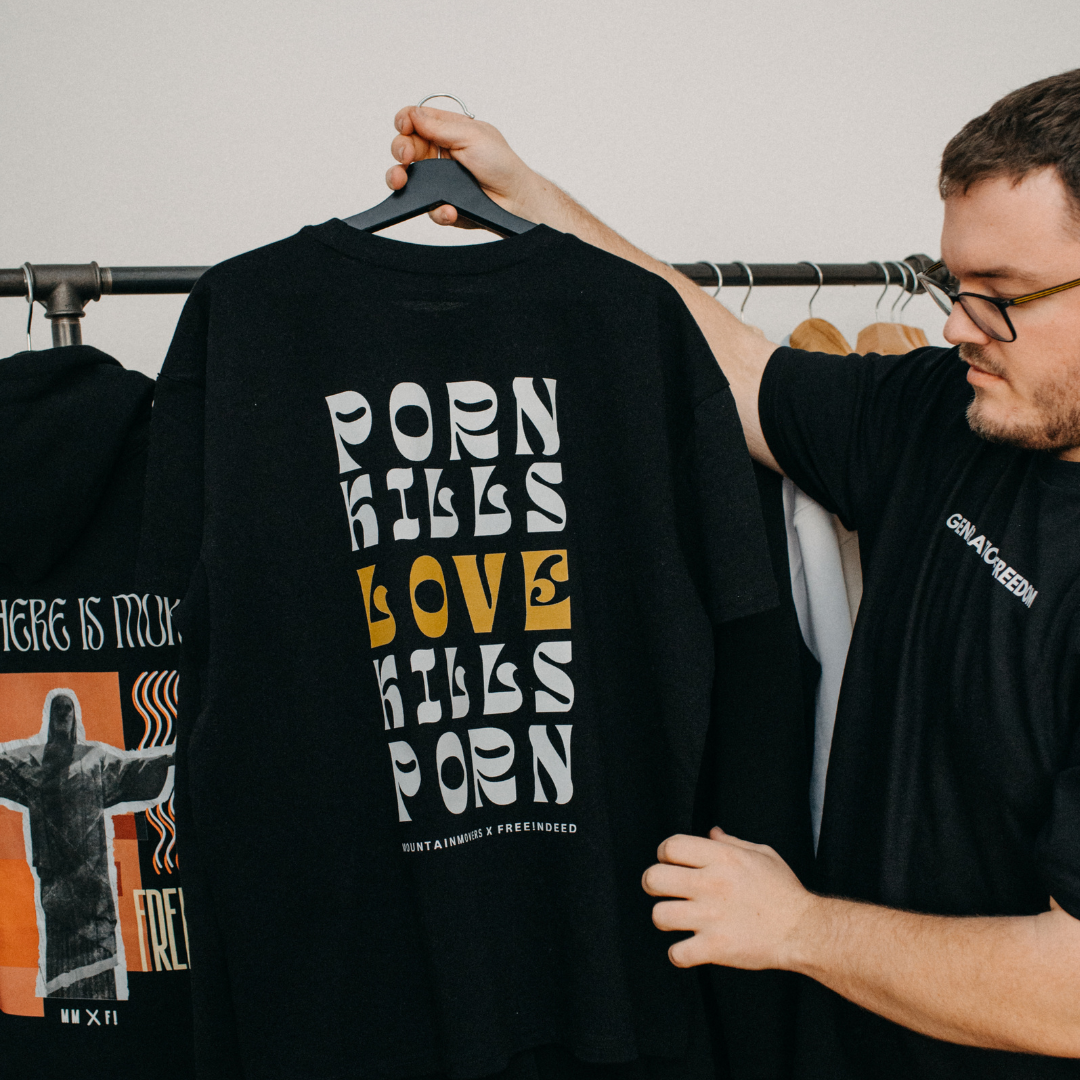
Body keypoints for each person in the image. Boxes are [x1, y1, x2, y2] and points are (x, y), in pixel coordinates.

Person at [384, 68, 1080, 1075]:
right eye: (953, 285)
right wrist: (526, 198)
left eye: (1003, 296)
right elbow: (742, 372)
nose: (956, 325)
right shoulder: (948, 413)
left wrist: (797, 928)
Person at [0, 689, 174, 1000]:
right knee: (61, 953)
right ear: (51, 717)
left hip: (92, 884)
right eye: (59, 708)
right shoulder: (32, 761)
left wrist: (166, 760)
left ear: (74, 716)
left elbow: (129, 771)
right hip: (57, 885)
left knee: (98, 949)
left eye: (68, 708)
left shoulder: (95, 760)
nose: (63, 714)